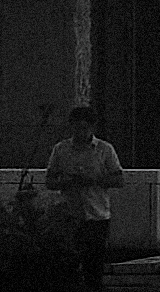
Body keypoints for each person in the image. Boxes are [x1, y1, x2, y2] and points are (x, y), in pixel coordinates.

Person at [45, 98, 122, 271]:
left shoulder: (104, 149)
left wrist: (93, 180)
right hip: (69, 215)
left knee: (94, 265)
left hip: (97, 214)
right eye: (76, 128)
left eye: (84, 128)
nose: (80, 133)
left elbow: (118, 179)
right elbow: (49, 181)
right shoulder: (61, 149)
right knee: (67, 263)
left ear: (92, 128)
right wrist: (66, 182)